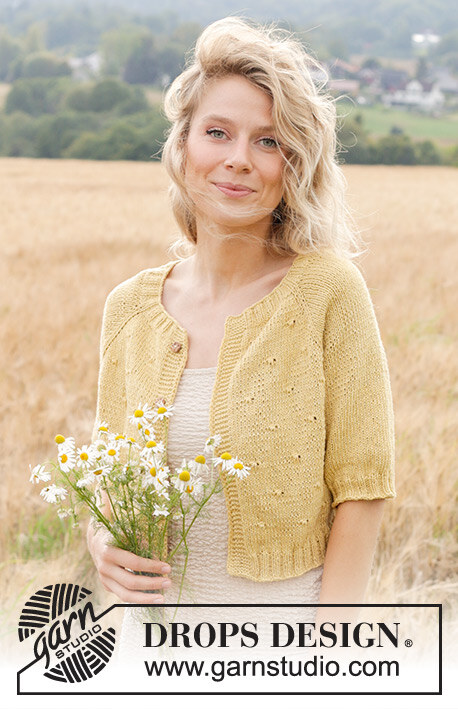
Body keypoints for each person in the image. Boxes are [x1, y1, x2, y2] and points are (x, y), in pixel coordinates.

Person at [87, 17, 395, 642]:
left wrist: (325, 657)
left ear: (294, 164)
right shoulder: (129, 309)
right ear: (183, 145)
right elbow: (107, 480)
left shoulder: (327, 294)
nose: (237, 160)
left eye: (268, 142)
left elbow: (363, 494)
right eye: (218, 132)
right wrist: (99, 543)